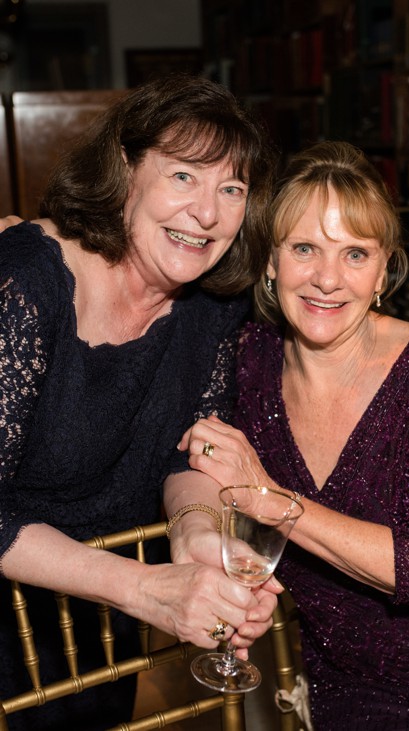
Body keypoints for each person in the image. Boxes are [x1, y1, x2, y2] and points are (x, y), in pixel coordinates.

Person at [0, 74, 279, 730]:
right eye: (184, 175)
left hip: (104, 622)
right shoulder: (23, 286)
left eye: (231, 188)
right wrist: (146, 587)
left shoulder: (213, 302)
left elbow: (193, 444)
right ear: (125, 168)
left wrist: (197, 534)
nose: (208, 213)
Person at [178, 141, 409, 730]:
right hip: (337, 680)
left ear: (383, 269)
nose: (326, 279)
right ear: (269, 261)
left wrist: (271, 498)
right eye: (304, 249)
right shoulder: (248, 359)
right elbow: (197, 458)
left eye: (354, 254)